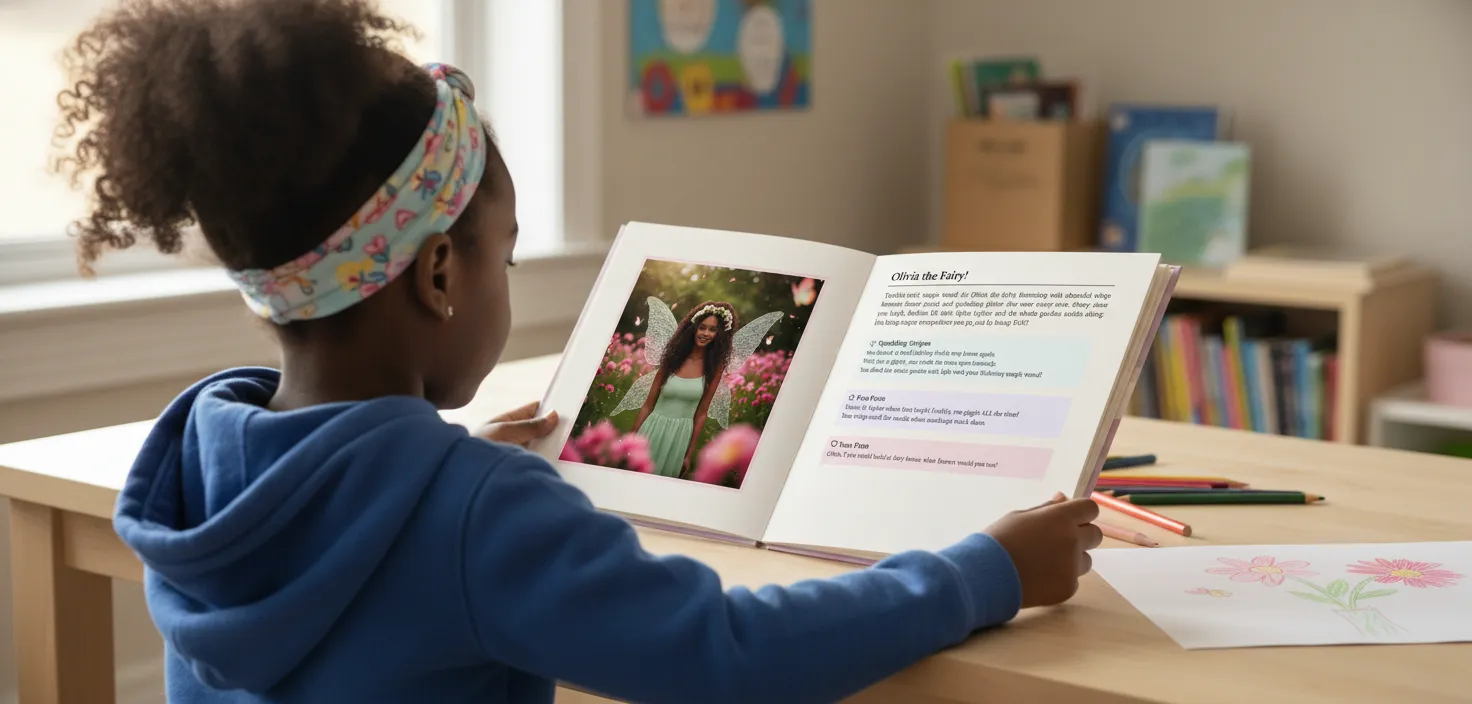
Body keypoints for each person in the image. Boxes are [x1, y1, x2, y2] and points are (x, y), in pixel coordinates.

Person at [66, 1, 1102, 702]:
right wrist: (984, 570)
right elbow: (729, 654)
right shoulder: (477, 513)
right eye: (502, 256)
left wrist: (451, 460)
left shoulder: (202, 458)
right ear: (437, 275)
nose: (505, 283)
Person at [630, 301, 735, 477]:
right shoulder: (673, 359)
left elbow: (701, 414)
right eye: (702, 327)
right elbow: (648, 405)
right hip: (652, 428)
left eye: (712, 329)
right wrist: (631, 439)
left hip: (679, 437)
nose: (706, 333)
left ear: (719, 334)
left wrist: (688, 454)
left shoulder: (714, 368)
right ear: (694, 328)